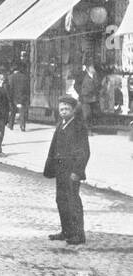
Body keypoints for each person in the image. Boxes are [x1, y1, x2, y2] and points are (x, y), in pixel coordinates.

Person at [44, 95, 89, 246]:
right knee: (61, 200)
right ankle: (66, 231)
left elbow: (84, 151)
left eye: (66, 109)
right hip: (60, 171)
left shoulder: (78, 126)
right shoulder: (61, 124)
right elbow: (54, 146)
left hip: (71, 171)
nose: (63, 111)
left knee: (73, 201)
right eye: (61, 109)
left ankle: (78, 234)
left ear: (73, 110)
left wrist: (77, 171)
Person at [77, 61, 99, 130]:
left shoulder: (95, 76)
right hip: (85, 98)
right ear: (88, 68)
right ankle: (87, 130)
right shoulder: (83, 76)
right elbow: (76, 85)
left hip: (93, 98)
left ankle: (90, 128)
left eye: (93, 67)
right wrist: (81, 92)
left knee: (91, 114)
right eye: (91, 67)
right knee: (86, 114)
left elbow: (98, 85)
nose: (93, 69)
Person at [9, 63, 30, 131]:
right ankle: (22, 126)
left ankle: (11, 125)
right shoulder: (24, 77)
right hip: (22, 96)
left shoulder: (11, 77)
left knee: (13, 111)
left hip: (13, 97)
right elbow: (27, 88)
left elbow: (10, 88)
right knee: (22, 112)